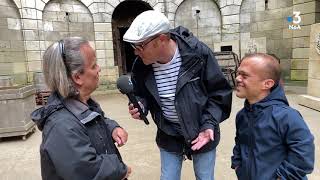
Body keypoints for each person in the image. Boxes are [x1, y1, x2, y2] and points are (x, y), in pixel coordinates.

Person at [123, 10, 232, 180]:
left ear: (162, 39)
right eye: (133, 47)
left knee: (205, 177)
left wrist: (209, 124)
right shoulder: (142, 65)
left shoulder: (198, 54)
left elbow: (219, 93)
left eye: (140, 46)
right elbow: (141, 94)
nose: (136, 52)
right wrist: (141, 105)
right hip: (169, 133)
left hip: (202, 131)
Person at [31, 37, 131, 180]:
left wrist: (112, 128)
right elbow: (86, 172)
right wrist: (120, 170)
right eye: (94, 65)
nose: (99, 69)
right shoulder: (61, 125)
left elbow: (94, 123)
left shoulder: (83, 104)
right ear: (77, 77)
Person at [231, 53, 315, 180]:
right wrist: (237, 165)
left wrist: (281, 178)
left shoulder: (287, 116)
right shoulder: (242, 115)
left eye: (244, 75)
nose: (237, 78)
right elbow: (239, 143)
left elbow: (303, 156)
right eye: (238, 73)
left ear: (267, 84)